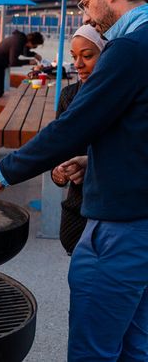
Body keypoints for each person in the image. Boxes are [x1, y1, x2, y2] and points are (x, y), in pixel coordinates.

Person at [0, 0, 148, 361]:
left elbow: (74, 125)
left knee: (94, 349)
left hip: (122, 226)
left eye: (86, 3)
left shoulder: (128, 48)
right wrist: (95, 160)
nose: (87, 13)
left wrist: (5, 171)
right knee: (135, 345)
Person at [51, 25, 106, 255]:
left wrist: (89, 165)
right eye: (74, 57)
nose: (78, 64)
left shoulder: (120, 96)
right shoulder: (68, 96)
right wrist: (60, 173)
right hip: (76, 206)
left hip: (109, 208)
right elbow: (57, 151)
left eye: (88, 55)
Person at [0, 30, 44, 105]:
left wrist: (34, 55)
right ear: (31, 42)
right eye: (35, 46)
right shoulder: (18, 42)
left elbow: (24, 51)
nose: (33, 48)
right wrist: (29, 62)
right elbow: (13, 62)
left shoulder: (21, 39)